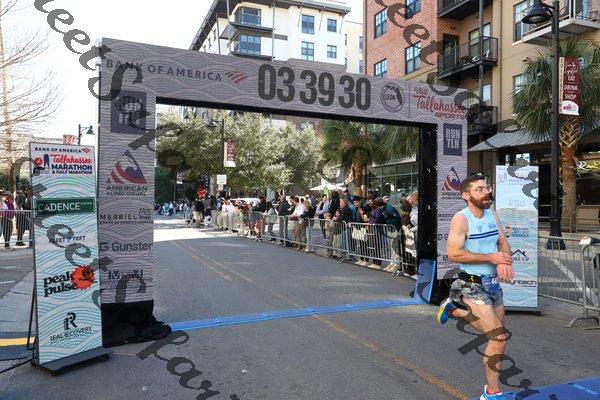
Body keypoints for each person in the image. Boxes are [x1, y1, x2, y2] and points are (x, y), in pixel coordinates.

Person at [437, 175, 514, 400]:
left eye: (487, 188)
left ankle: (454, 309)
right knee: (499, 338)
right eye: (479, 189)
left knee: (496, 339)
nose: (486, 191)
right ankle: (492, 393)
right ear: (466, 195)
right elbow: (454, 254)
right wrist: (491, 258)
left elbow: (503, 243)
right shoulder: (461, 219)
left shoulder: (493, 215)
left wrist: (504, 261)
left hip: (493, 285)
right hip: (471, 283)